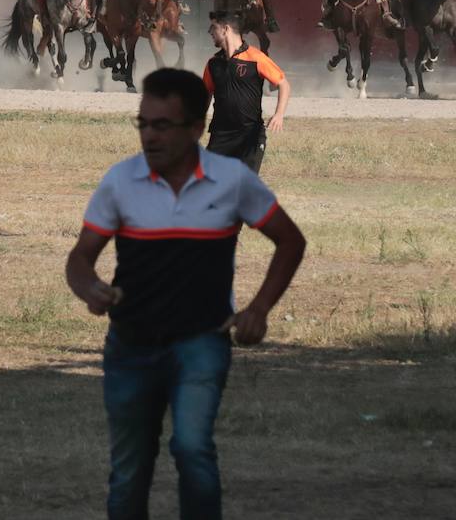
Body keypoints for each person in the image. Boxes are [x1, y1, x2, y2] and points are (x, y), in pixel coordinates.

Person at [65, 68, 306, 520]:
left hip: (202, 342)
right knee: (129, 469)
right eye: (143, 124)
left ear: (197, 128)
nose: (149, 137)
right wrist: (90, 288)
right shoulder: (120, 181)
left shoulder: (231, 179)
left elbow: (290, 241)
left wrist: (260, 308)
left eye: (162, 125)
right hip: (131, 345)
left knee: (193, 449)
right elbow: (79, 260)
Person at [204, 13, 289, 172]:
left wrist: (279, 114)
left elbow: (283, 84)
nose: (210, 32)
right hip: (220, 135)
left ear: (225, 29)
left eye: (213, 27)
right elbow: (206, 94)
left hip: (250, 135)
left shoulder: (256, 58)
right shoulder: (213, 63)